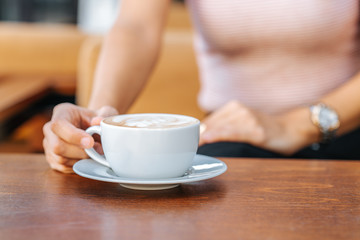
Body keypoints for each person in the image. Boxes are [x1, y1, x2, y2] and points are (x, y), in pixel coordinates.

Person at [43, 0, 360, 173]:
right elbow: (136, 26)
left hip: (347, 131)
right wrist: (99, 119)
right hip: (231, 140)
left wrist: (295, 127)